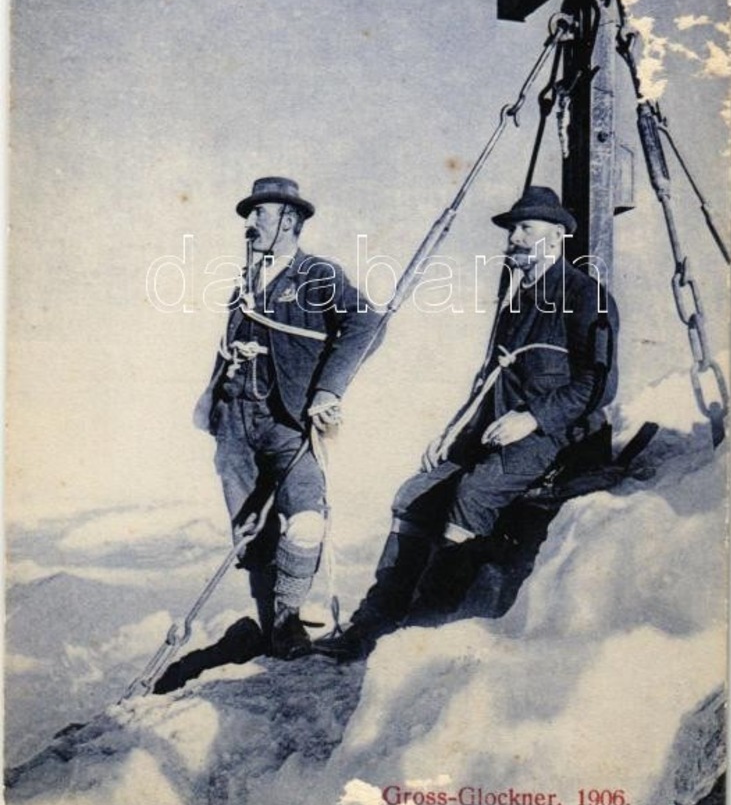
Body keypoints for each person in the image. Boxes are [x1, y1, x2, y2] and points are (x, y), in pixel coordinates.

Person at [318, 185, 619, 661]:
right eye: (513, 229)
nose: (514, 238)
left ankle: (422, 630)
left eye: (526, 228)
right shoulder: (519, 301)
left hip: (556, 437)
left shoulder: (586, 296)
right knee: (413, 494)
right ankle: (371, 625)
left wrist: (532, 418)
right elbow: (492, 382)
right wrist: (452, 435)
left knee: (471, 497)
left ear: (558, 236)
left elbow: (597, 386)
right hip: (495, 430)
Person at [194, 176, 380, 661]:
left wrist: (328, 389)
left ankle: (288, 618)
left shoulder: (318, 274)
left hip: (287, 423)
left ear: (290, 220)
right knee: (251, 534)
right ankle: (272, 629)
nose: (250, 223)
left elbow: (367, 321)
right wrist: (215, 407)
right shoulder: (243, 281)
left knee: (305, 520)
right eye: (250, 214)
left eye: (261, 213)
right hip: (235, 421)